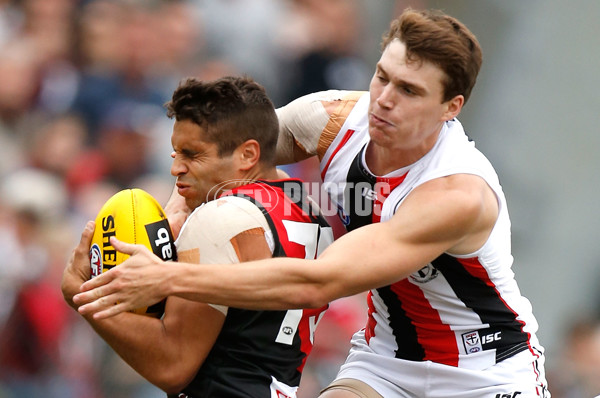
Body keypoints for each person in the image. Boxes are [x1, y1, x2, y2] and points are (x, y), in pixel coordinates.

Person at [73, 8, 551, 398]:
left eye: (408, 91)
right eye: (382, 76)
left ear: (452, 107)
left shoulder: (457, 195)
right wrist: (169, 223)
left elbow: (317, 282)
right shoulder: (331, 118)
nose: (383, 100)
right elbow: (228, 159)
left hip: (485, 372)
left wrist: (168, 275)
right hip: (385, 359)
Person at [62, 76, 333, 398]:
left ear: (248, 155)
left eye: (192, 154)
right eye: (175, 153)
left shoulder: (219, 219)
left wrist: (83, 296)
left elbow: (173, 364)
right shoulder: (307, 205)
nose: (176, 168)